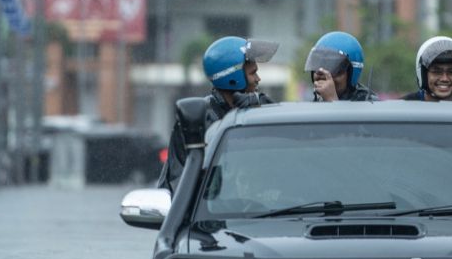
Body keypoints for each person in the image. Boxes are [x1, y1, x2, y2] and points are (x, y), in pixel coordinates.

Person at [157, 36, 277, 192]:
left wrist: (263, 104)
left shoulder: (259, 108)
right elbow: (176, 182)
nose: (257, 79)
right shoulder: (199, 120)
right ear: (233, 78)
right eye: (253, 73)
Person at [304, 31, 378, 102]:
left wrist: (331, 100)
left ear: (351, 74)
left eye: (334, 68)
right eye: (317, 65)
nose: (323, 74)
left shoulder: (369, 104)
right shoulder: (312, 104)